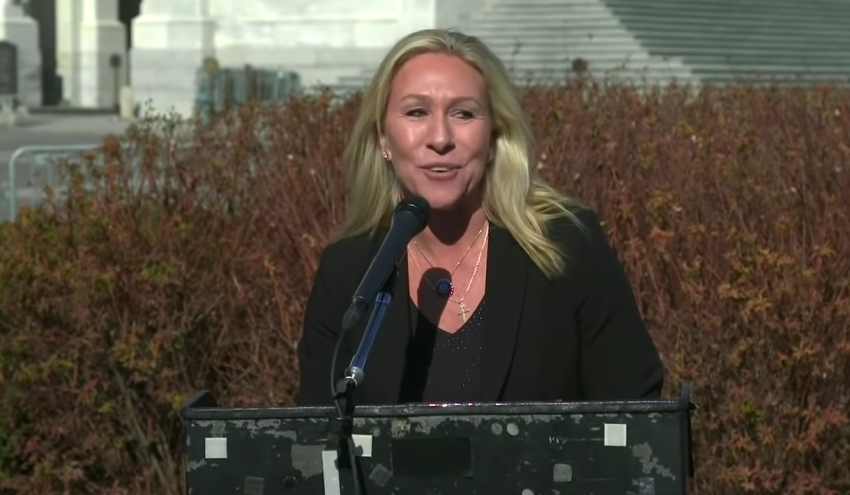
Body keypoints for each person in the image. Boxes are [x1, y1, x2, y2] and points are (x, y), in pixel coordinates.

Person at [296, 28, 664, 406]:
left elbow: (639, 418)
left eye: (464, 113)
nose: (440, 138)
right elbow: (313, 442)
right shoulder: (348, 273)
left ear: (493, 139)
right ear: (383, 140)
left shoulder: (566, 247)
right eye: (417, 112)